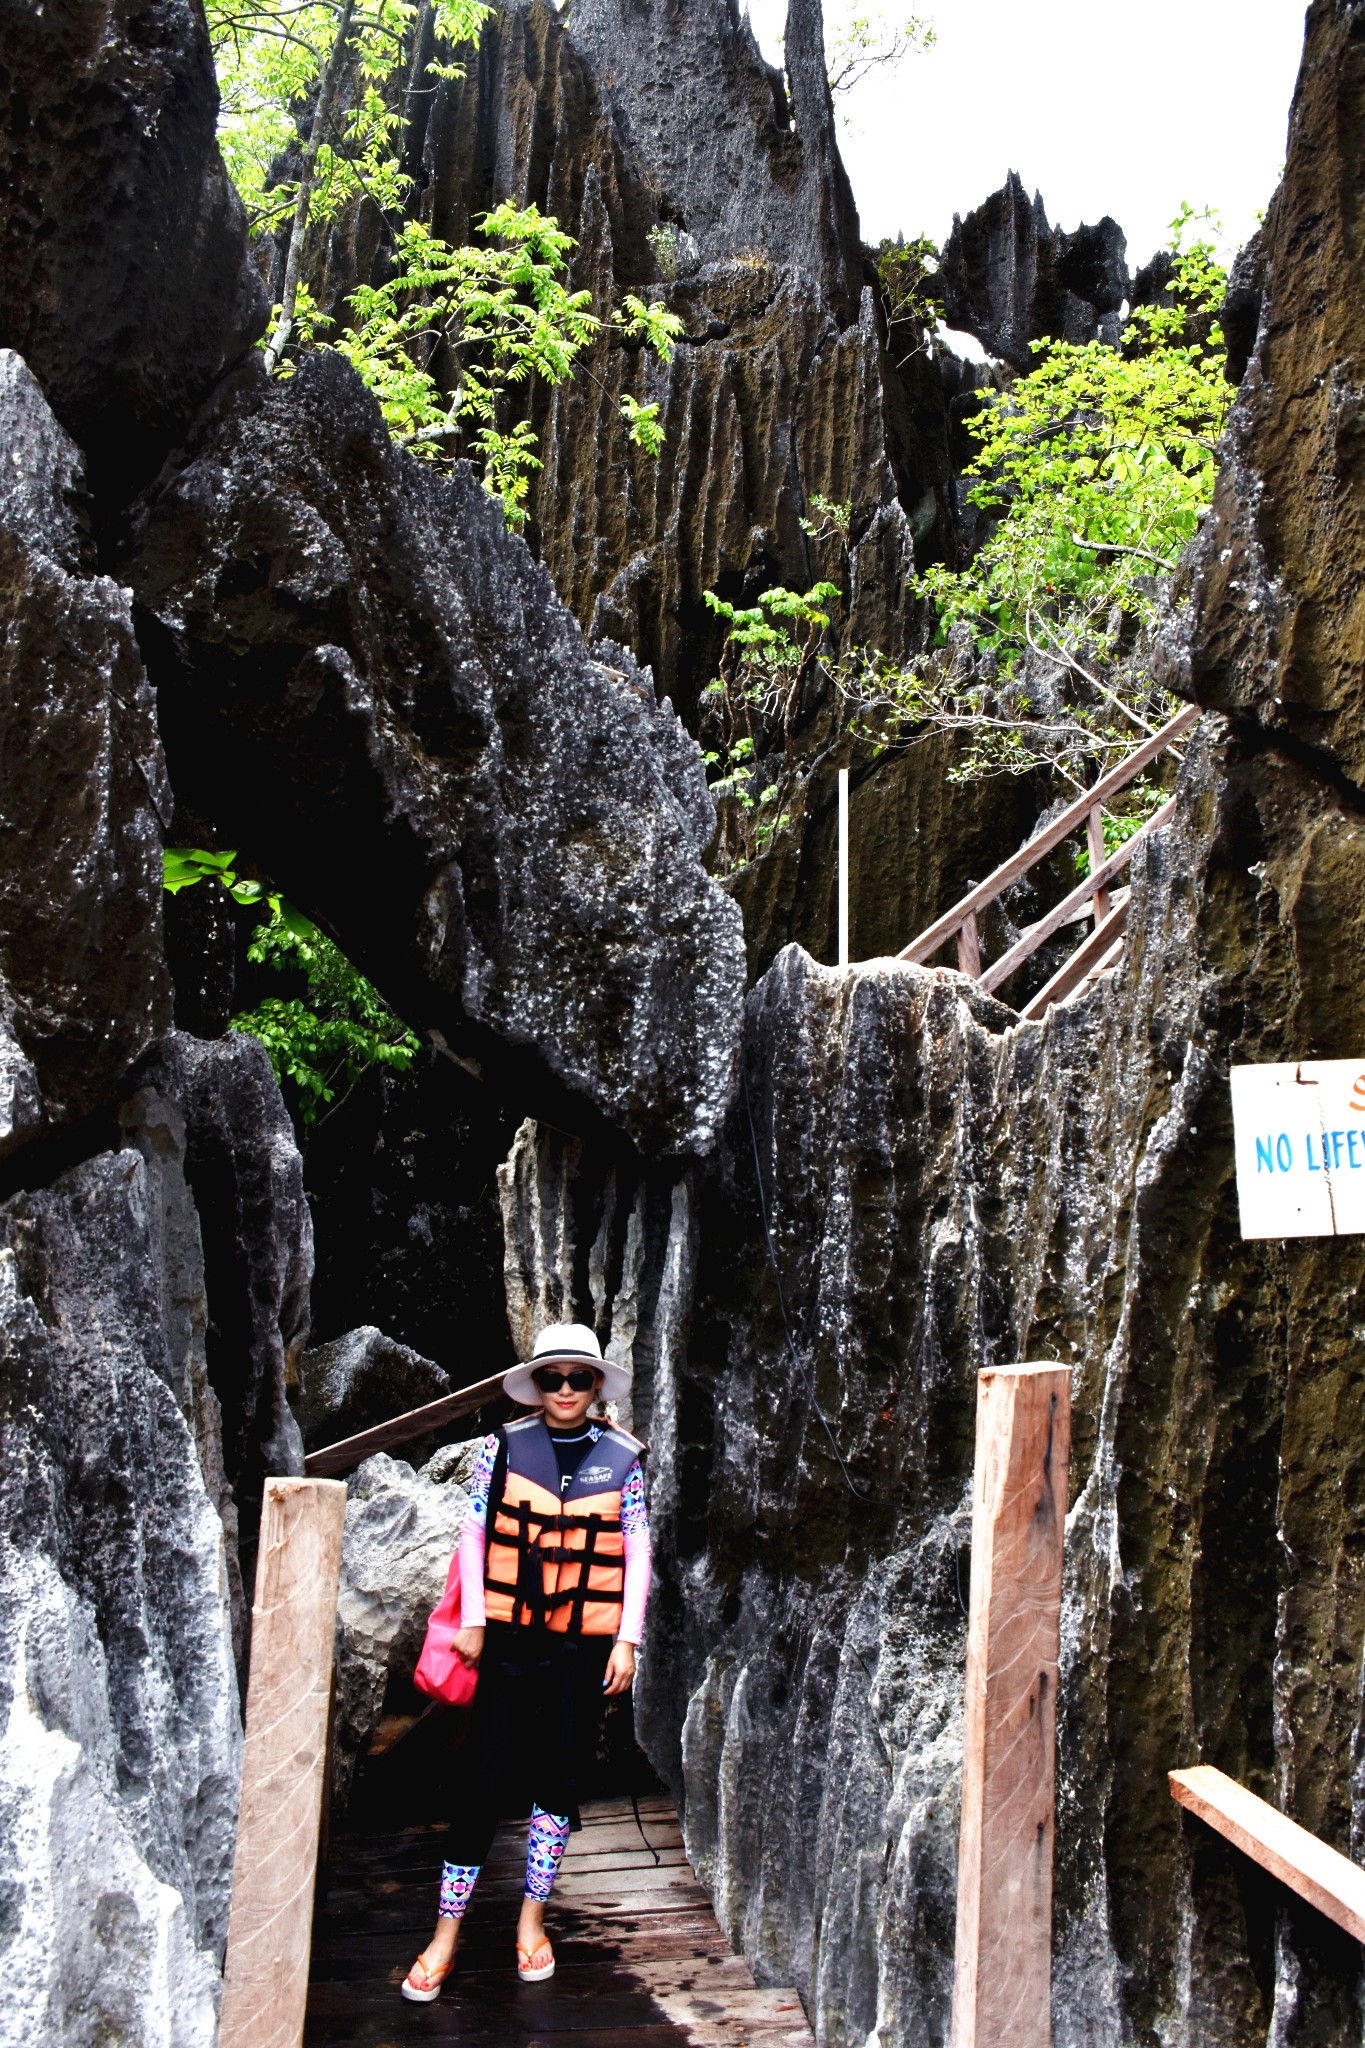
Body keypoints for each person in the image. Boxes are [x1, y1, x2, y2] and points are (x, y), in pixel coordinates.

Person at [401, 1322, 651, 2002]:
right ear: (534, 1385)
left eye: (578, 1378)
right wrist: (476, 1621)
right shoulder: (501, 1449)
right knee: (480, 1781)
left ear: (596, 1385)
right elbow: (474, 1533)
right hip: (510, 1636)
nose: (565, 1389)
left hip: (583, 1644)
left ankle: (531, 1921)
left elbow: (637, 1552)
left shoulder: (623, 1458)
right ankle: (445, 1932)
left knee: (557, 1781)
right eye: (551, 1377)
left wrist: (627, 1638)